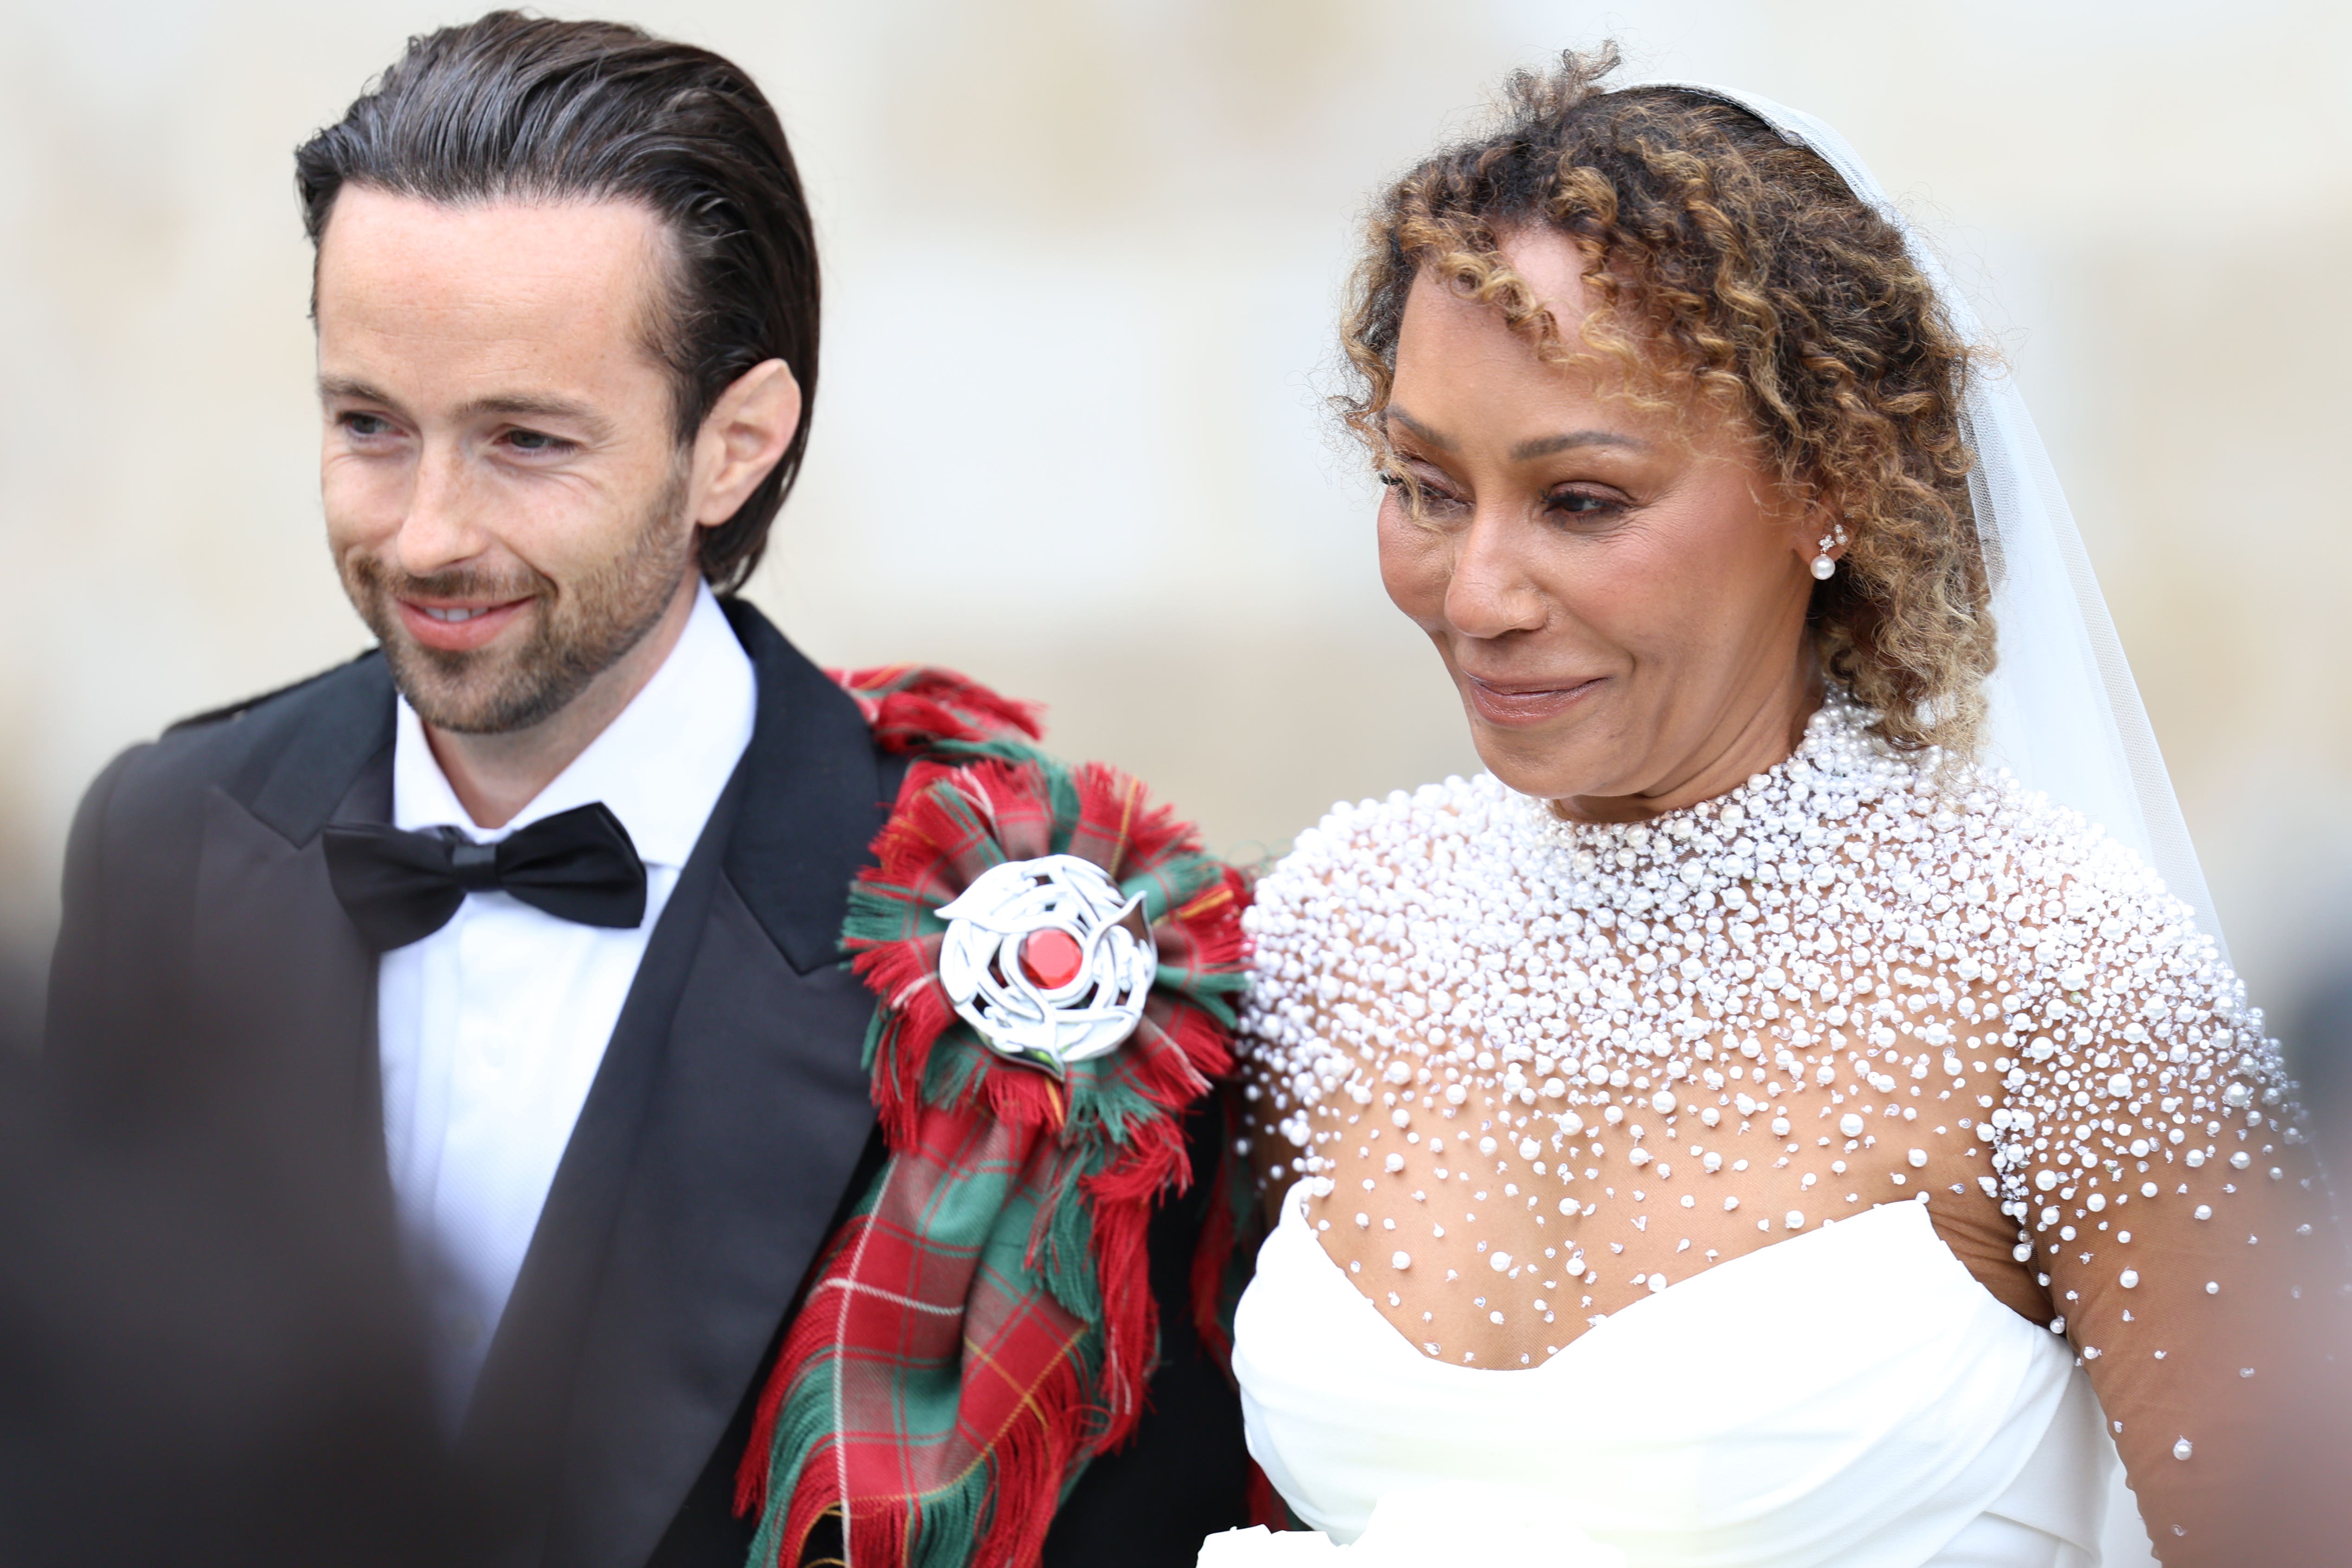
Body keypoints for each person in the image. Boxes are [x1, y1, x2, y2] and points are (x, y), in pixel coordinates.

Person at [35, 13, 1251, 1568]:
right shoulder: (167, 834)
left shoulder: (1018, 939)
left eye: (525, 440)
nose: (426, 534)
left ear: (735, 445)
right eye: (369, 426)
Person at [1210, 50, 2349, 1568]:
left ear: (1830, 487)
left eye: (1580, 502)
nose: (1474, 594)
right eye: (1425, 486)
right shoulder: (1331, 929)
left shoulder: (2059, 980)